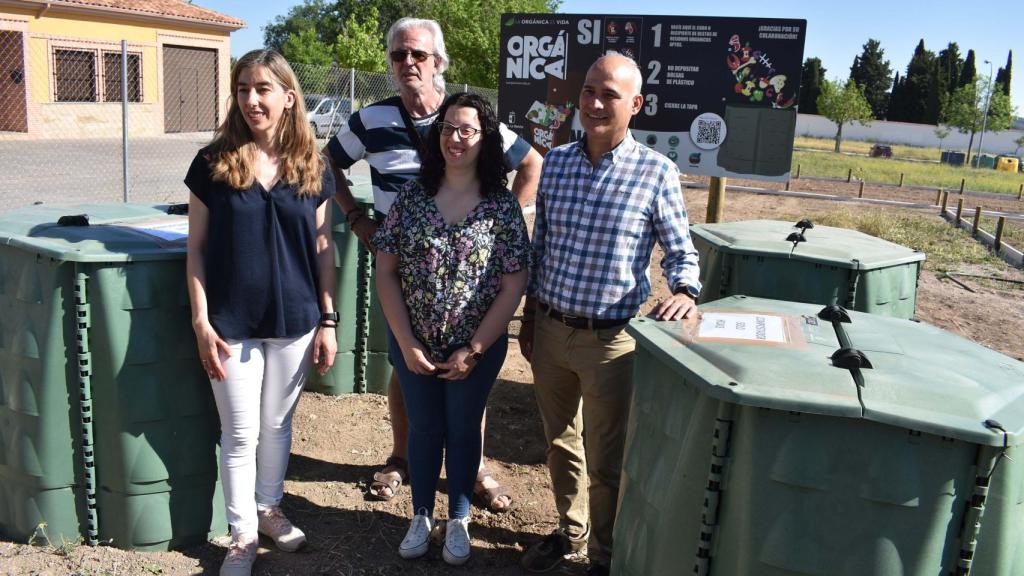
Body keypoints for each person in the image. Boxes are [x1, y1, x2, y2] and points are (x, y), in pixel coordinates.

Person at [325, 16, 542, 511]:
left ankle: (476, 465)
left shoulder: (466, 117)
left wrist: (510, 218)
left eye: (418, 55)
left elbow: (531, 163)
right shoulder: (370, 121)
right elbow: (327, 164)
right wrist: (358, 218)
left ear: (438, 62)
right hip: (399, 269)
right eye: (399, 55)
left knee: (471, 368)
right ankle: (402, 458)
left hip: (472, 275)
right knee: (406, 364)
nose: (408, 64)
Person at [519, 54, 702, 576]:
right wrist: (531, 316)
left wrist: (685, 289)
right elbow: (542, 247)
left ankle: (603, 554)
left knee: (607, 458)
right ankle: (569, 532)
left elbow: (681, 250)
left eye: (610, 95)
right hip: (552, 330)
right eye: (589, 92)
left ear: (635, 105)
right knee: (559, 443)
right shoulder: (554, 163)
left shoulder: (657, 173)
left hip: (612, 341)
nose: (595, 104)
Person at [185, 49, 337, 576]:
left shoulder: (313, 166)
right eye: (244, 88)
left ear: (289, 97)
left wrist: (329, 319)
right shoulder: (211, 165)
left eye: (264, 88)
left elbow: (323, 249)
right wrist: (202, 322)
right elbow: (197, 250)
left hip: (296, 321)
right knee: (241, 432)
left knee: (276, 423)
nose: (252, 99)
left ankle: (269, 508)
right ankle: (242, 536)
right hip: (230, 323)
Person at [373, 92, 531, 565]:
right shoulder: (412, 197)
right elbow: (385, 271)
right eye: (446, 128)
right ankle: (421, 515)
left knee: (463, 428)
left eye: (466, 130)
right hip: (414, 342)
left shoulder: (501, 206)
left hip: (475, 347)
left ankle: (458, 515)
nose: (455, 139)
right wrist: (405, 341)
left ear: (485, 139)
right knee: (423, 428)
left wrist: (476, 348)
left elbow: (513, 281)